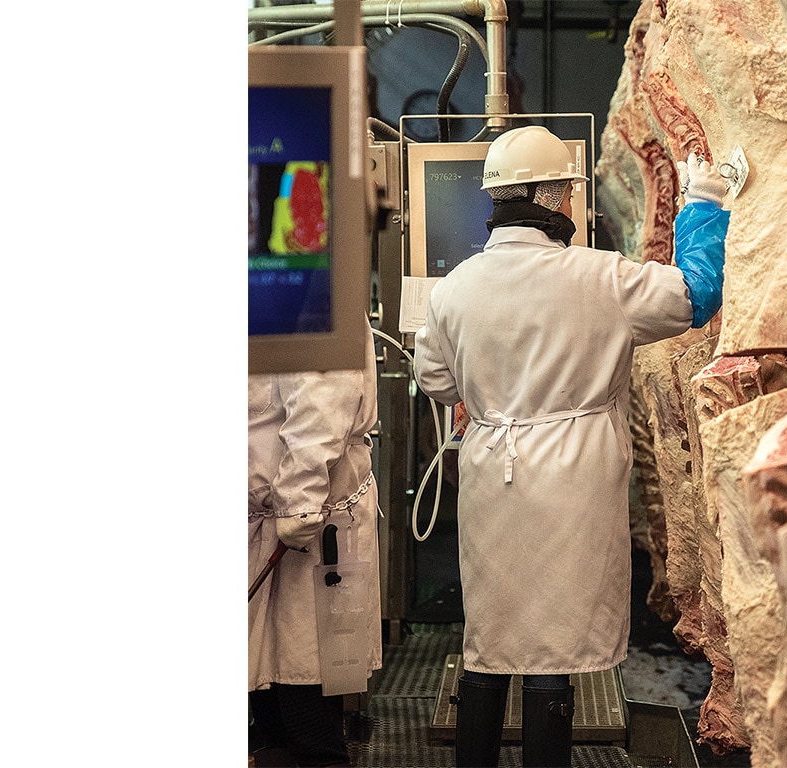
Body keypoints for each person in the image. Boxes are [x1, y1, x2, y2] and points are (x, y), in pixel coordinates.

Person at [413, 125, 730, 768]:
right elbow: (697, 294)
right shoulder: (601, 277)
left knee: (492, 637)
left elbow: (436, 379)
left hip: (492, 471)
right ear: (556, 196)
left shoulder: (454, 288)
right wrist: (704, 203)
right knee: (553, 644)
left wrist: (493, 399)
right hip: (574, 473)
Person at [248, 326, 382, 768]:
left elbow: (321, 403)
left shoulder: (306, 289)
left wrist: (299, 503)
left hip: (302, 522)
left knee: (301, 691)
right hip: (264, 523)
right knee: (268, 693)